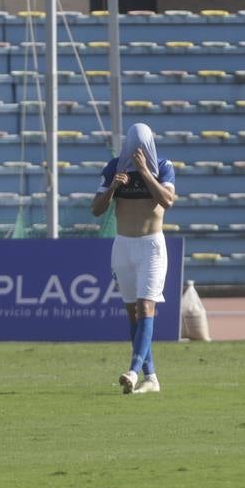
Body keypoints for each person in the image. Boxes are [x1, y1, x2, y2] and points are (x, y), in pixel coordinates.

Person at [91, 123, 176, 395]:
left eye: (143, 143)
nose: (137, 149)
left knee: (146, 307)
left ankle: (133, 370)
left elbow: (167, 200)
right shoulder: (114, 167)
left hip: (151, 246)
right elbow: (96, 209)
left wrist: (144, 173)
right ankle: (151, 377)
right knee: (132, 312)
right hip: (124, 245)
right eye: (133, 144)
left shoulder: (163, 166)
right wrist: (113, 187)